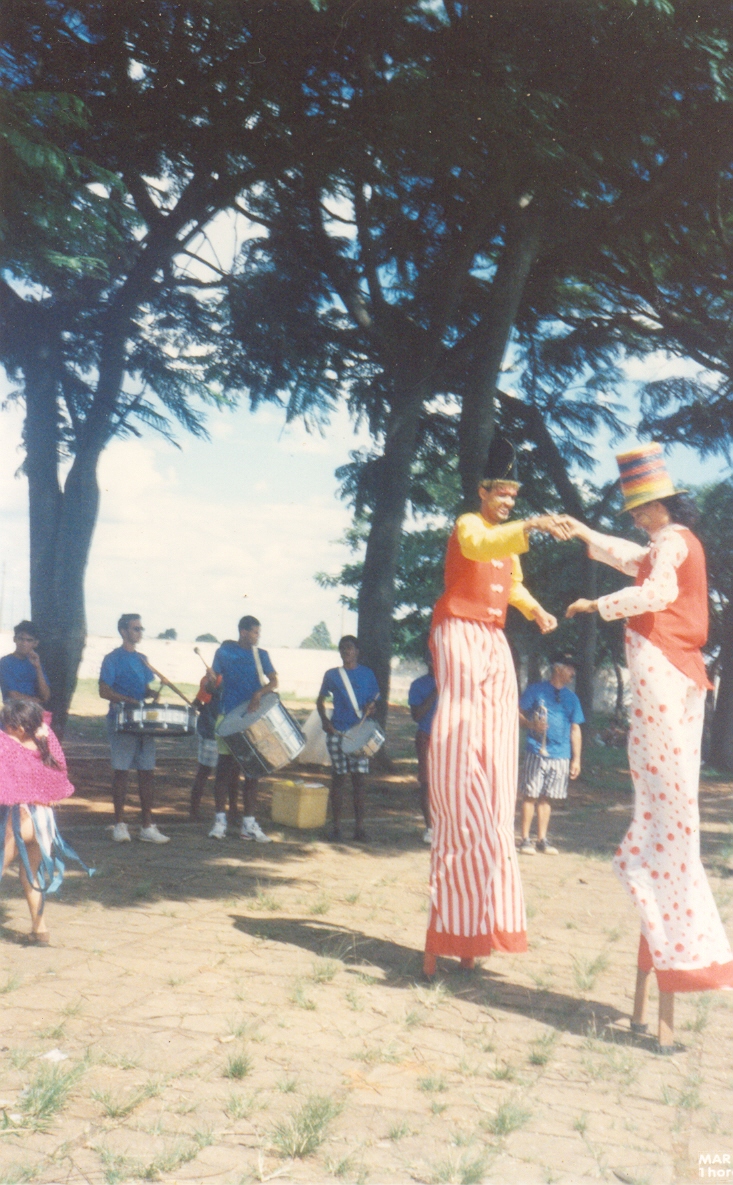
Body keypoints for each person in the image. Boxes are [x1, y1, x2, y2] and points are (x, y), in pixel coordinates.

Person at [566, 442, 733, 1050]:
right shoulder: (667, 541)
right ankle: (652, 848)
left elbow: (655, 590)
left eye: (642, 508)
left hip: (667, 670)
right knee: (660, 793)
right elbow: (631, 555)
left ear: (661, 504)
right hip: (669, 673)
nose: (637, 518)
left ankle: (656, 864)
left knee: (665, 796)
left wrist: (597, 605)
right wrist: (583, 529)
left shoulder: (674, 542)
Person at [424, 437, 571, 978]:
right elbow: (483, 548)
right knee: (462, 736)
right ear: (483, 492)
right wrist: (530, 524)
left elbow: (511, 585)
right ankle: (455, 780)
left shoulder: (504, 542)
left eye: (513, 497)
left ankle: (483, 906)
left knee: (499, 749)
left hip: (491, 636)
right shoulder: (470, 525)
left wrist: (537, 612)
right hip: (457, 627)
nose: (507, 502)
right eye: (501, 494)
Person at [0, 698, 91, 944]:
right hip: (45, 822)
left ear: (18, 727)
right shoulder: (47, 742)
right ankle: (40, 930)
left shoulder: (6, 745)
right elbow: (58, 777)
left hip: (18, 818)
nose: (4, 727)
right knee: (31, 875)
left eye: (7, 723)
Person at [99, 614, 170, 845]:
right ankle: (120, 824)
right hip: (121, 719)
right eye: (135, 628)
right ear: (123, 631)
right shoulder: (112, 659)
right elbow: (104, 691)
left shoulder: (142, 659)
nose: (140, 632)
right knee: (121, 772)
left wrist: (151, 694)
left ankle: (147, 826)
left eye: (141, 628)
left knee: (147, 772)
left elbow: (145, 688)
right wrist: (128, 700)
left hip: (143, 722)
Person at [207, 616, 277, 842]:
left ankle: (249, 824)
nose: (258, 636)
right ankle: (220, 822)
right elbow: (212, 683)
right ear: (243, 632)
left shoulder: (261, 655)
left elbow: (274, 682)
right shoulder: (224, 653)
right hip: (228, 717)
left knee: (252, 773)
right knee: (224, 771)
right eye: (255, 632)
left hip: (252, 720)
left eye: (258, 632)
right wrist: (209, 680)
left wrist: (259, 693)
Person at [518, 651, 584, 855]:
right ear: (557, 668)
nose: (572, 672)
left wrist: (576, 759)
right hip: (537, 750)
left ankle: (542, 839)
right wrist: (530, 724)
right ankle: (525, 839)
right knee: (530, 794)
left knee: (547, 798)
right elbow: (517, 711)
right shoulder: (536, 690)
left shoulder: (572, 698)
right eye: (569, 668)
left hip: (560, 754)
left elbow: (575, 729)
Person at [316, 636, 380, 843]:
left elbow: (374, 702)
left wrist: (371, 708)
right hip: (337, 732)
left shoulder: (368, 674)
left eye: (350, 648)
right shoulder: (332, 675)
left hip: (359, 734)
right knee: (338, 780)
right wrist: (325, 720)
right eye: (343, 648)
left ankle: (359, 828)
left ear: (357, 651)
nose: (346, 651)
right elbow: (320, 699)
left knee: (359, 782)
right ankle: (336, 827)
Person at [408, 645, 437, 844]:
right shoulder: (418, 685)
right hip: (427, 736)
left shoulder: (456, 683)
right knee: (427, 783)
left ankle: (446, 825)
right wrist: (437, 690)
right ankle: (430, 827)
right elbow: (417, 716)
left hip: (449, 738)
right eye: (432, 659)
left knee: (448, 784)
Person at [189, 670, 222, 821]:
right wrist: (198, 707)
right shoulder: (211, 679)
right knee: (204, 771)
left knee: (223, 773)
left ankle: (228, 812)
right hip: (210, 730)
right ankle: (194, 811)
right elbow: (199, 701)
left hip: (220, 729)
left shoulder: (218, 678)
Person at [0, 621, 50, 706]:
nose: (24, 644)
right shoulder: (6, 662)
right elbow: (12, 695)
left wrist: (38, 668)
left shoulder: (35, 663)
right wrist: (37, 701)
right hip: (13, 712)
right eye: (21, 639)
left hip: (33, 713)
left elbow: (45, 696)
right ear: (14, 639)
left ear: (35, 643)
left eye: (29, 640)